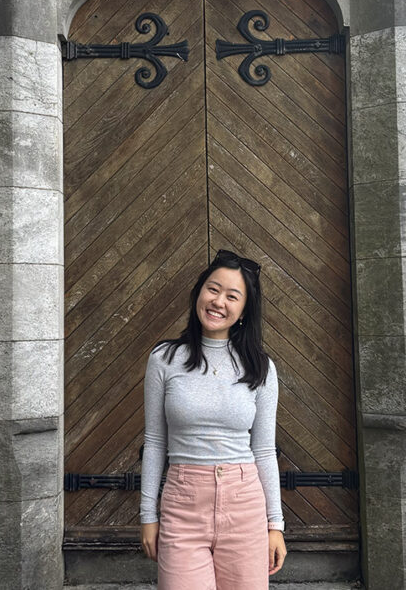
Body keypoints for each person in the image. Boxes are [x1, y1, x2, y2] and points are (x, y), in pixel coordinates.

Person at [139, 248, 287, 589]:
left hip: (245, 505)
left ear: (243, 311)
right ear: (199, 293)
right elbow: (155, 442)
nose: (219, 301)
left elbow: (264, 450)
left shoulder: (261, 368)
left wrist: (274, 525)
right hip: (183, 504)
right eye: (213, 289)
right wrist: (148, 514)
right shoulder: (164, 359)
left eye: (232, 296)